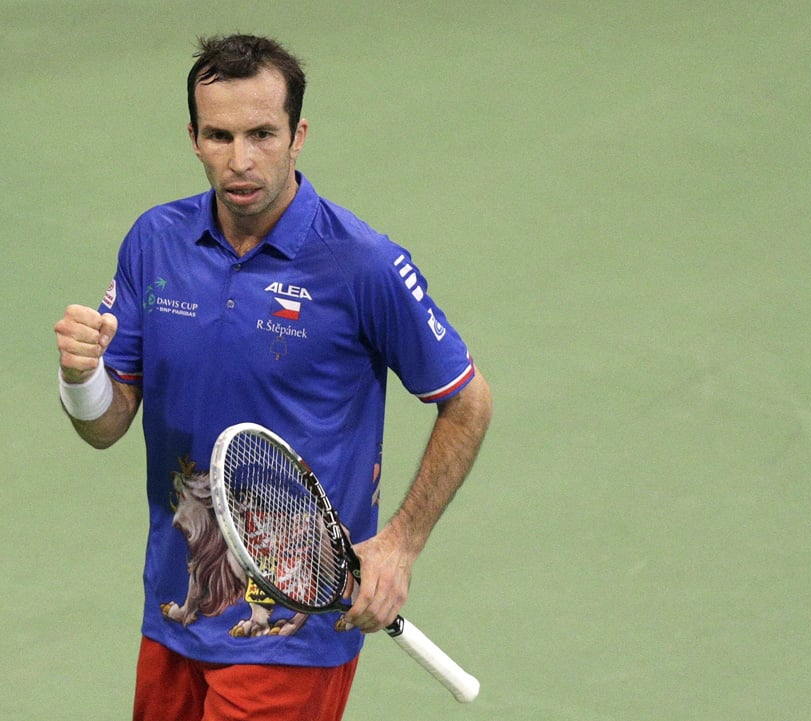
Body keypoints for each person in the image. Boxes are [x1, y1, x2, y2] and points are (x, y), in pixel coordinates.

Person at [53, 34, 492, 721]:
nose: (242, 159)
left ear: (299, 135)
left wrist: (400, 543)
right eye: (221, 135)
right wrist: (80, 377)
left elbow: (468, 402)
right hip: (176, 603)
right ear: (194, 137)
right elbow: (107, 423)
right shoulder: (154, 241)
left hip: (291, 628)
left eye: (263, 133)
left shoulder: (362, 264)